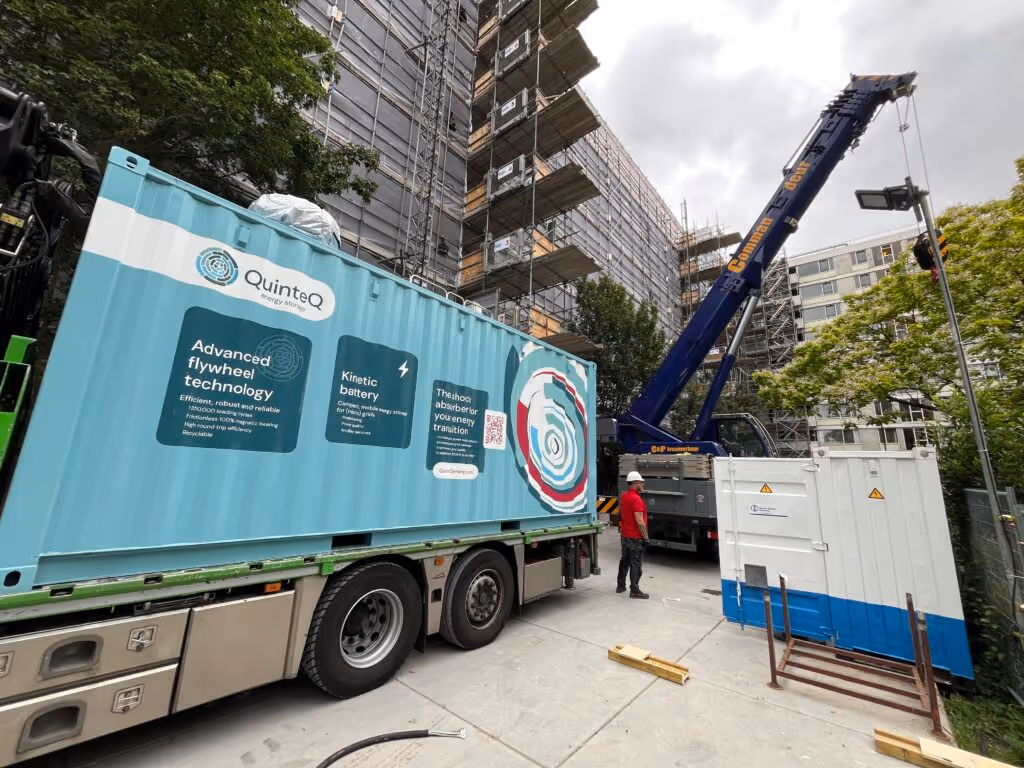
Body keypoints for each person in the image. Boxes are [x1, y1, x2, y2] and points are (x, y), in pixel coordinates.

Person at [616, 470, 649, 599]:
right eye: (641, 482)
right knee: (636, 564)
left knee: (624, 560)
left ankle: (620, 585)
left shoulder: (624, 496)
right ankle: (634, 590)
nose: (642, 484)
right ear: (635, 483)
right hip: (635, 537)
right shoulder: (636, 499)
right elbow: (640, 521)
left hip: (625, 536)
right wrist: (645, 537)